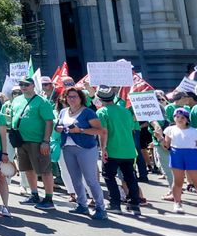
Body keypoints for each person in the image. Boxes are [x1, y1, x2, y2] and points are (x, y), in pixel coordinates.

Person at [55, 86, 107, 220]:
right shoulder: (63, 112)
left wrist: (81, 130)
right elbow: (58, 126)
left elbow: (99, 130)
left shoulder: (88, 112)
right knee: (75, 179)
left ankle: (101, 207)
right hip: (68, 148)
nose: (71, 99)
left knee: (91, 180)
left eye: (74, 97)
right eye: (69, 97)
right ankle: (82, 205)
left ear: (80, 98)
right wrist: (59, 128)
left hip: (86, 148)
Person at [10, 77, 56, 210]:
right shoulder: (17, 100)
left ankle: (49, 198)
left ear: (33, 86)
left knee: (45, 170)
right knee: (28, 169)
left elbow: (49, 122)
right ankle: (34, 194)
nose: (23, 87)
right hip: (21, 140)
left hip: (37, 141)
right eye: (21, 84)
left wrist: (46, 141)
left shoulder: (42, 101)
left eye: (26, 84)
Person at [95, 85, 142, 214]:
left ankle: (115, 203)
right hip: (128, 149)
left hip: (112, 149)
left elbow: (103, 132)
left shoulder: (101, 112)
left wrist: (103, 149)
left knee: (109, 176)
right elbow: (132, 128)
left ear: (99, 99)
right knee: (130, 177)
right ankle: (134, 204)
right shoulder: (126, 111)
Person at [161, 107, 197, 216]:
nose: (180, 119)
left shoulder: (195, 132)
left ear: (187, 119)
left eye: (183, 117)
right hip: (176, 155)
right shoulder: (170, 130)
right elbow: (166, 146)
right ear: (174, 118)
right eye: (177, 117)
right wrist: (159, 137)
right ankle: (177, 203)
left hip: (192, 156)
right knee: (178, 181)